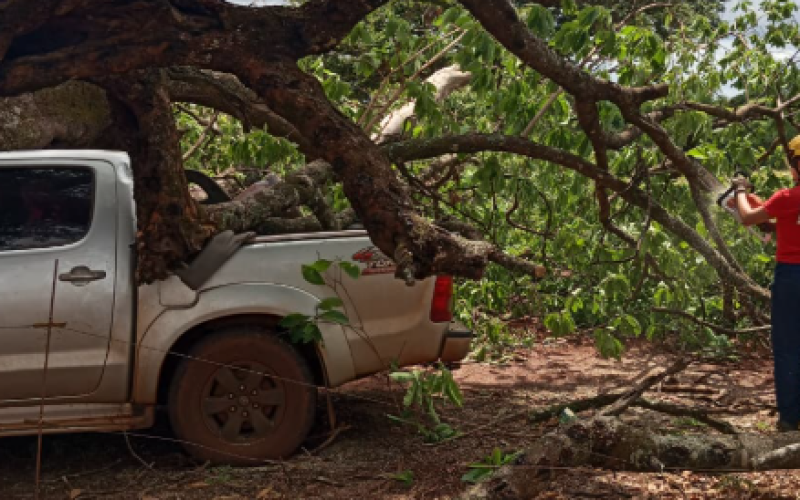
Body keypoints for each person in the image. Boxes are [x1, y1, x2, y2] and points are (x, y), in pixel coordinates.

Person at [735, 134, 800, 432]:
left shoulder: (786, 198)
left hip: (791, 276)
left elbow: (747, 218)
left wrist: (739, 191)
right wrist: (773, 223)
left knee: (787, 346)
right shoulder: (784, 204)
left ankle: (790, 417)